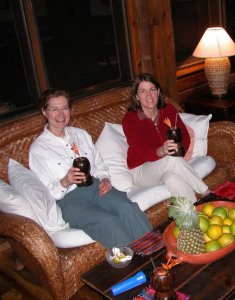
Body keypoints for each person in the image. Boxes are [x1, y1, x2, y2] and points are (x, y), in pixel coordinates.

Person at [29, 89, 152, 248]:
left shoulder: (80, 135)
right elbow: (45, 193)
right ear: (44, 112)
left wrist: (105, 179)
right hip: (69, 201)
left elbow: (99, 165)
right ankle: (134, 267)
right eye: (54, 109)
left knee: (127, 208)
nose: (61, 114)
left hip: (95, 187)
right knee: (108, 222)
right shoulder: (39, 149)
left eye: (65, 108)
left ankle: (155, 256)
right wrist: (65, 181)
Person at [122, 73, 211, 203]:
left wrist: (182, 152)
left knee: (172, 178)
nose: (148, 95)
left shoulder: (169, 110)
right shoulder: (130, 120)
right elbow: (144, 152)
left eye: (152, 89)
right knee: (171, 160)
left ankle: (192, 216)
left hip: (167, 166)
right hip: (141, 171)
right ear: (137, 97)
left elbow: (184, 136)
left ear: (158, 92)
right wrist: (162, 150)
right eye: (142, 91)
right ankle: (207, 193)